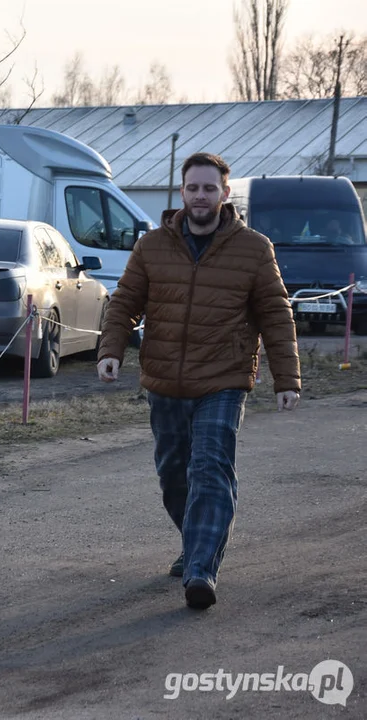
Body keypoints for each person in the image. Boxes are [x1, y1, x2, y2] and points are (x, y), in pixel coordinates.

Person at [96, 152, 301, 610]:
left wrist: (286, 378)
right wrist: (110, 351)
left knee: (210, 468)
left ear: (225, 194)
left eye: (210, 188)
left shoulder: (253, 248)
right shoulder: (152, 246)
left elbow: (275, 313)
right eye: (193, 188)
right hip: (164, 379)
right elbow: (125, 300)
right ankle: (194, 542)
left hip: (223, 379)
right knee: (174, 475)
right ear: (182, 192)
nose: (201, 196)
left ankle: (200, 570)